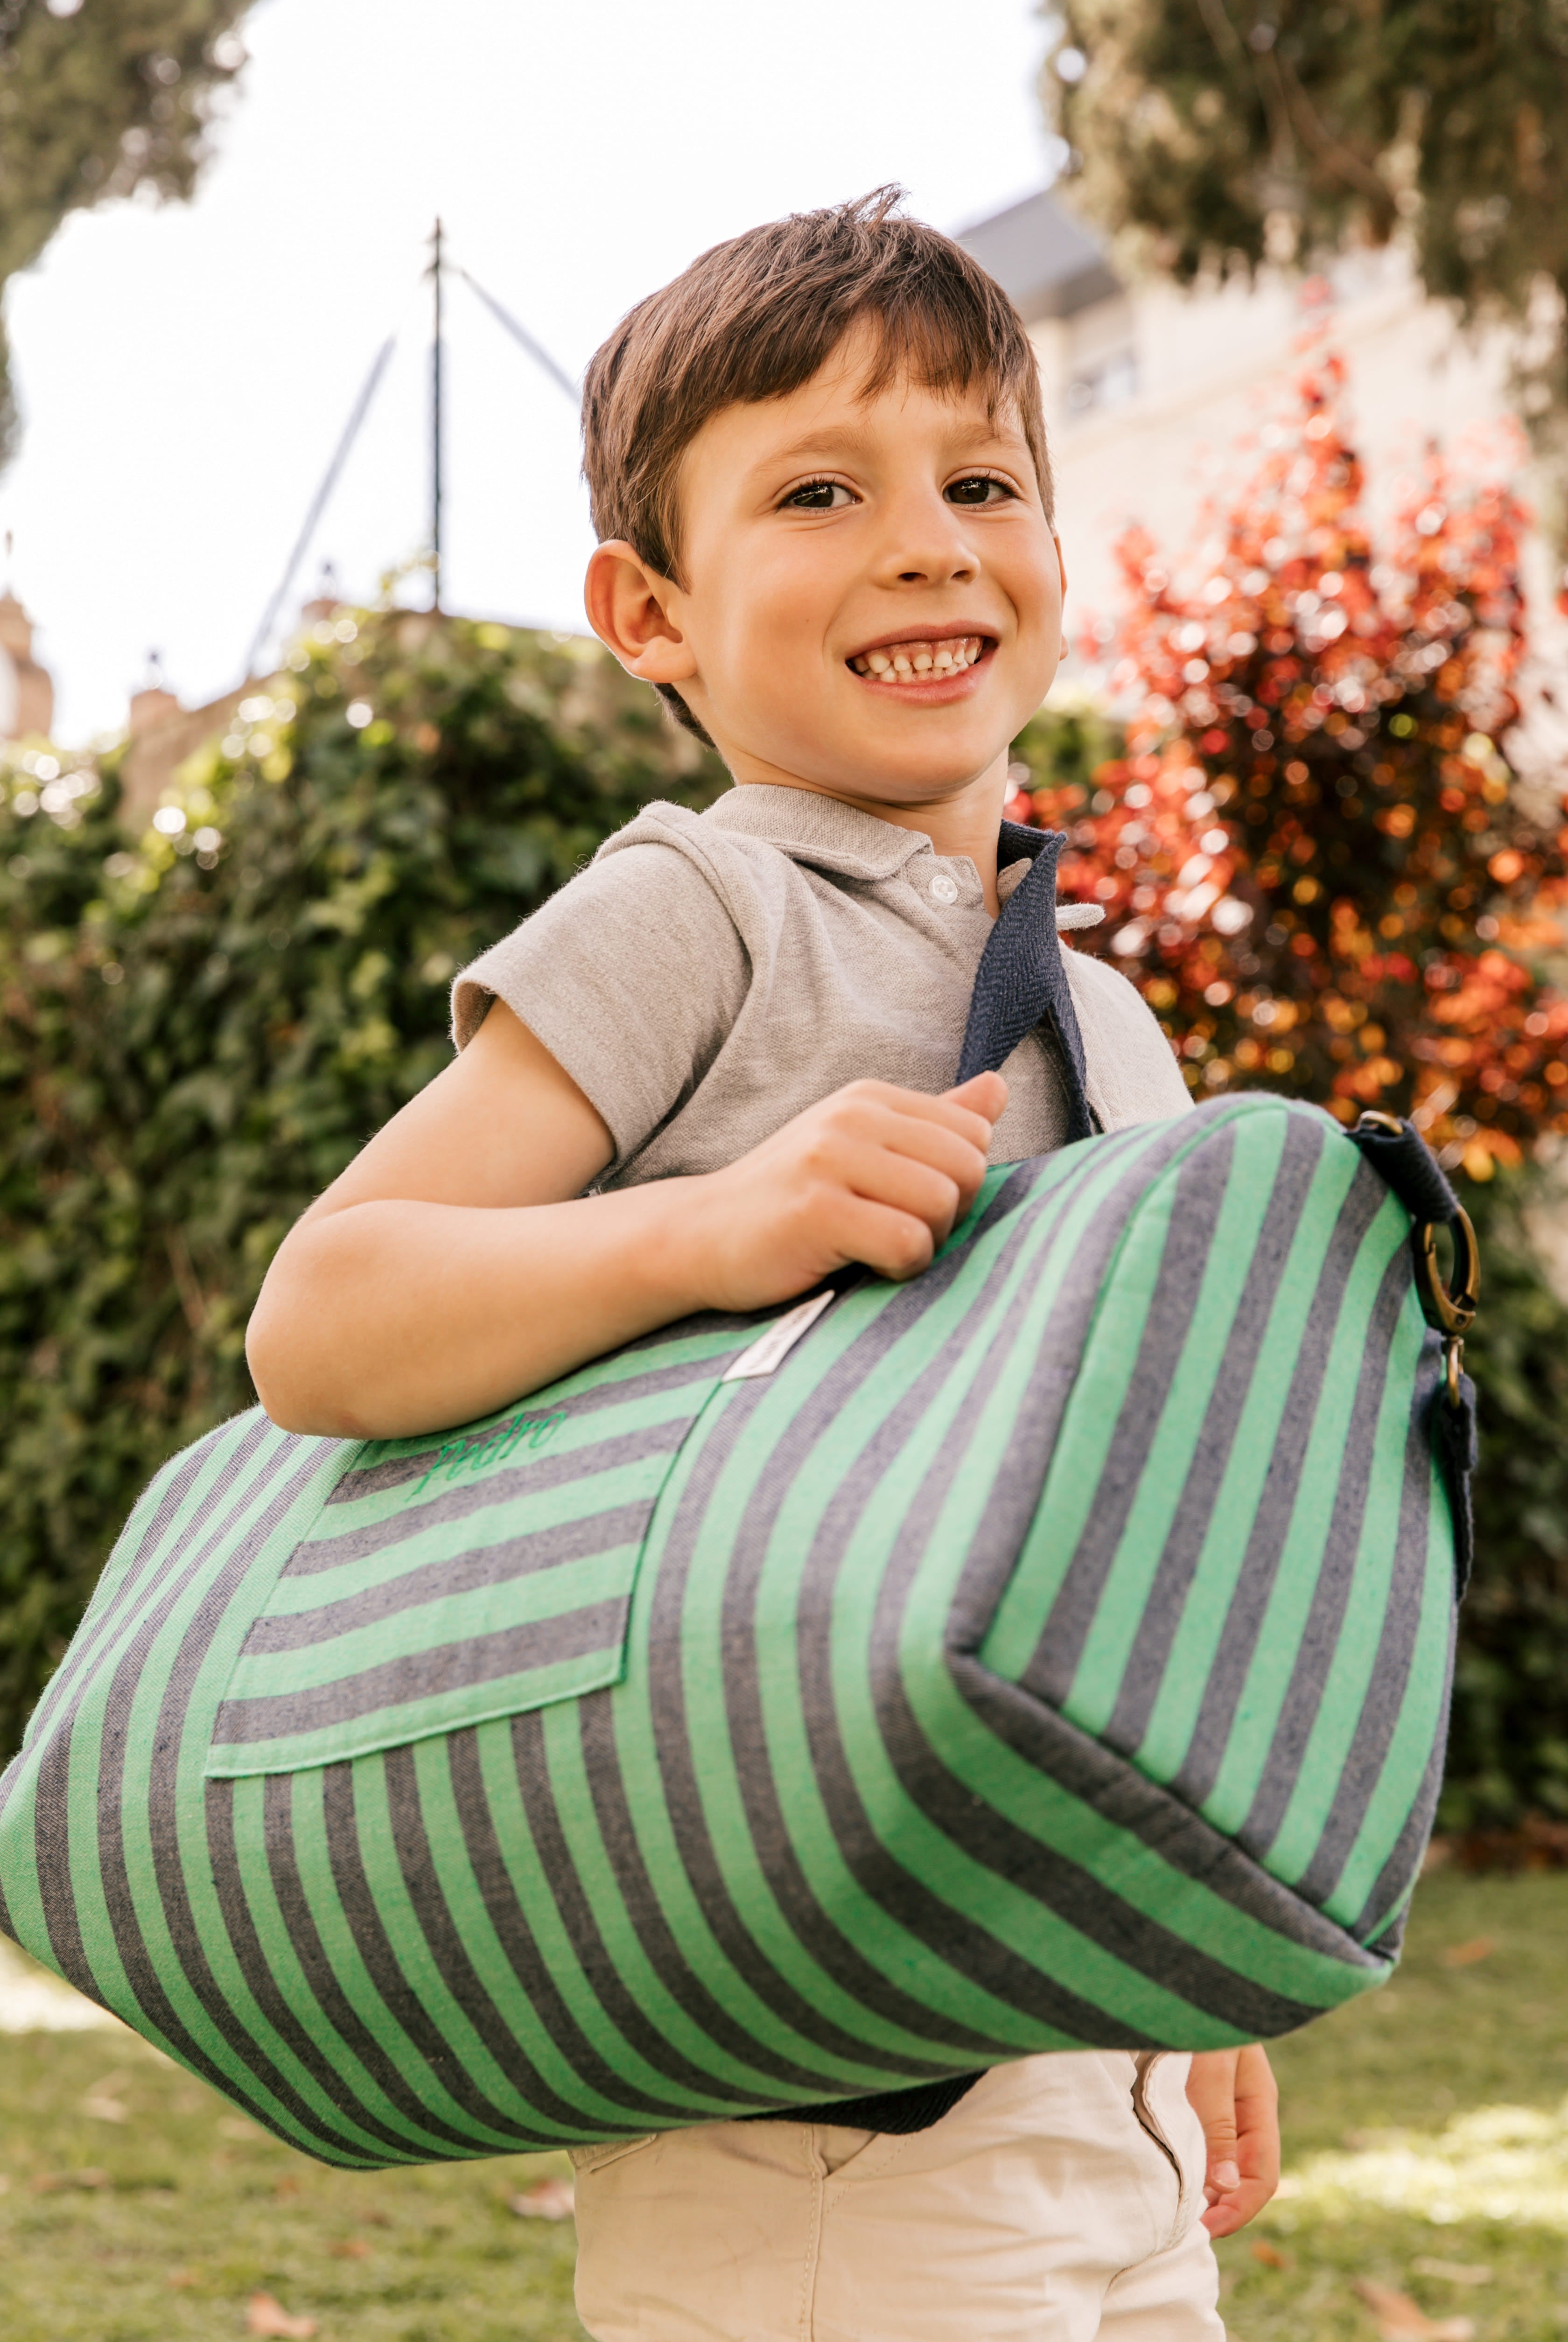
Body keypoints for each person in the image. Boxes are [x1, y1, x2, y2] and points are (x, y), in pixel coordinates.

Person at [246, 187, 1279, 2342]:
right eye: (821, 488)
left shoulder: (1108, 1025)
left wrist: (1202, 1965)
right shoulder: (695, 912)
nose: (925, 540)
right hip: (814, 2099)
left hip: (1095, 2076)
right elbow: (325, 1316)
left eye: (981, 480)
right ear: (652, 611)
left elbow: (1125, 1558)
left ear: (1056, 557)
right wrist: (722, 1222)